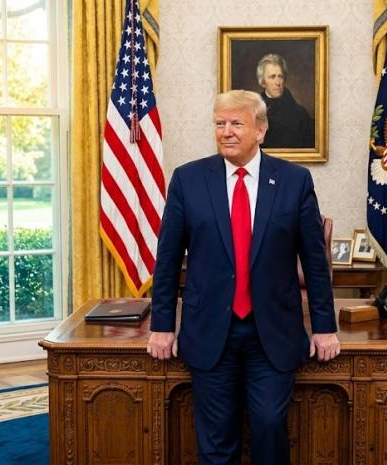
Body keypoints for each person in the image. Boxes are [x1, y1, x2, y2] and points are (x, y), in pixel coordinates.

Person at [147, 90, 340, 465]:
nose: (226, 131)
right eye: (220, 123)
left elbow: (315, 262)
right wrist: (162, 325)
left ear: (261, 130)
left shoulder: (294, 181)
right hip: (209, 331)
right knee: (216, 441)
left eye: (236, 123)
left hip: (273, 333)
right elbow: (167, 259)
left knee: (269, 427)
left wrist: (324, 327)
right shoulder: (188, 180)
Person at [256, 54, 314, 149]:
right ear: (263, 82)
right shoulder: (253, 112)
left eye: (280, 77)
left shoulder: (300, 114)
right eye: (272, 77)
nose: (278, 82)